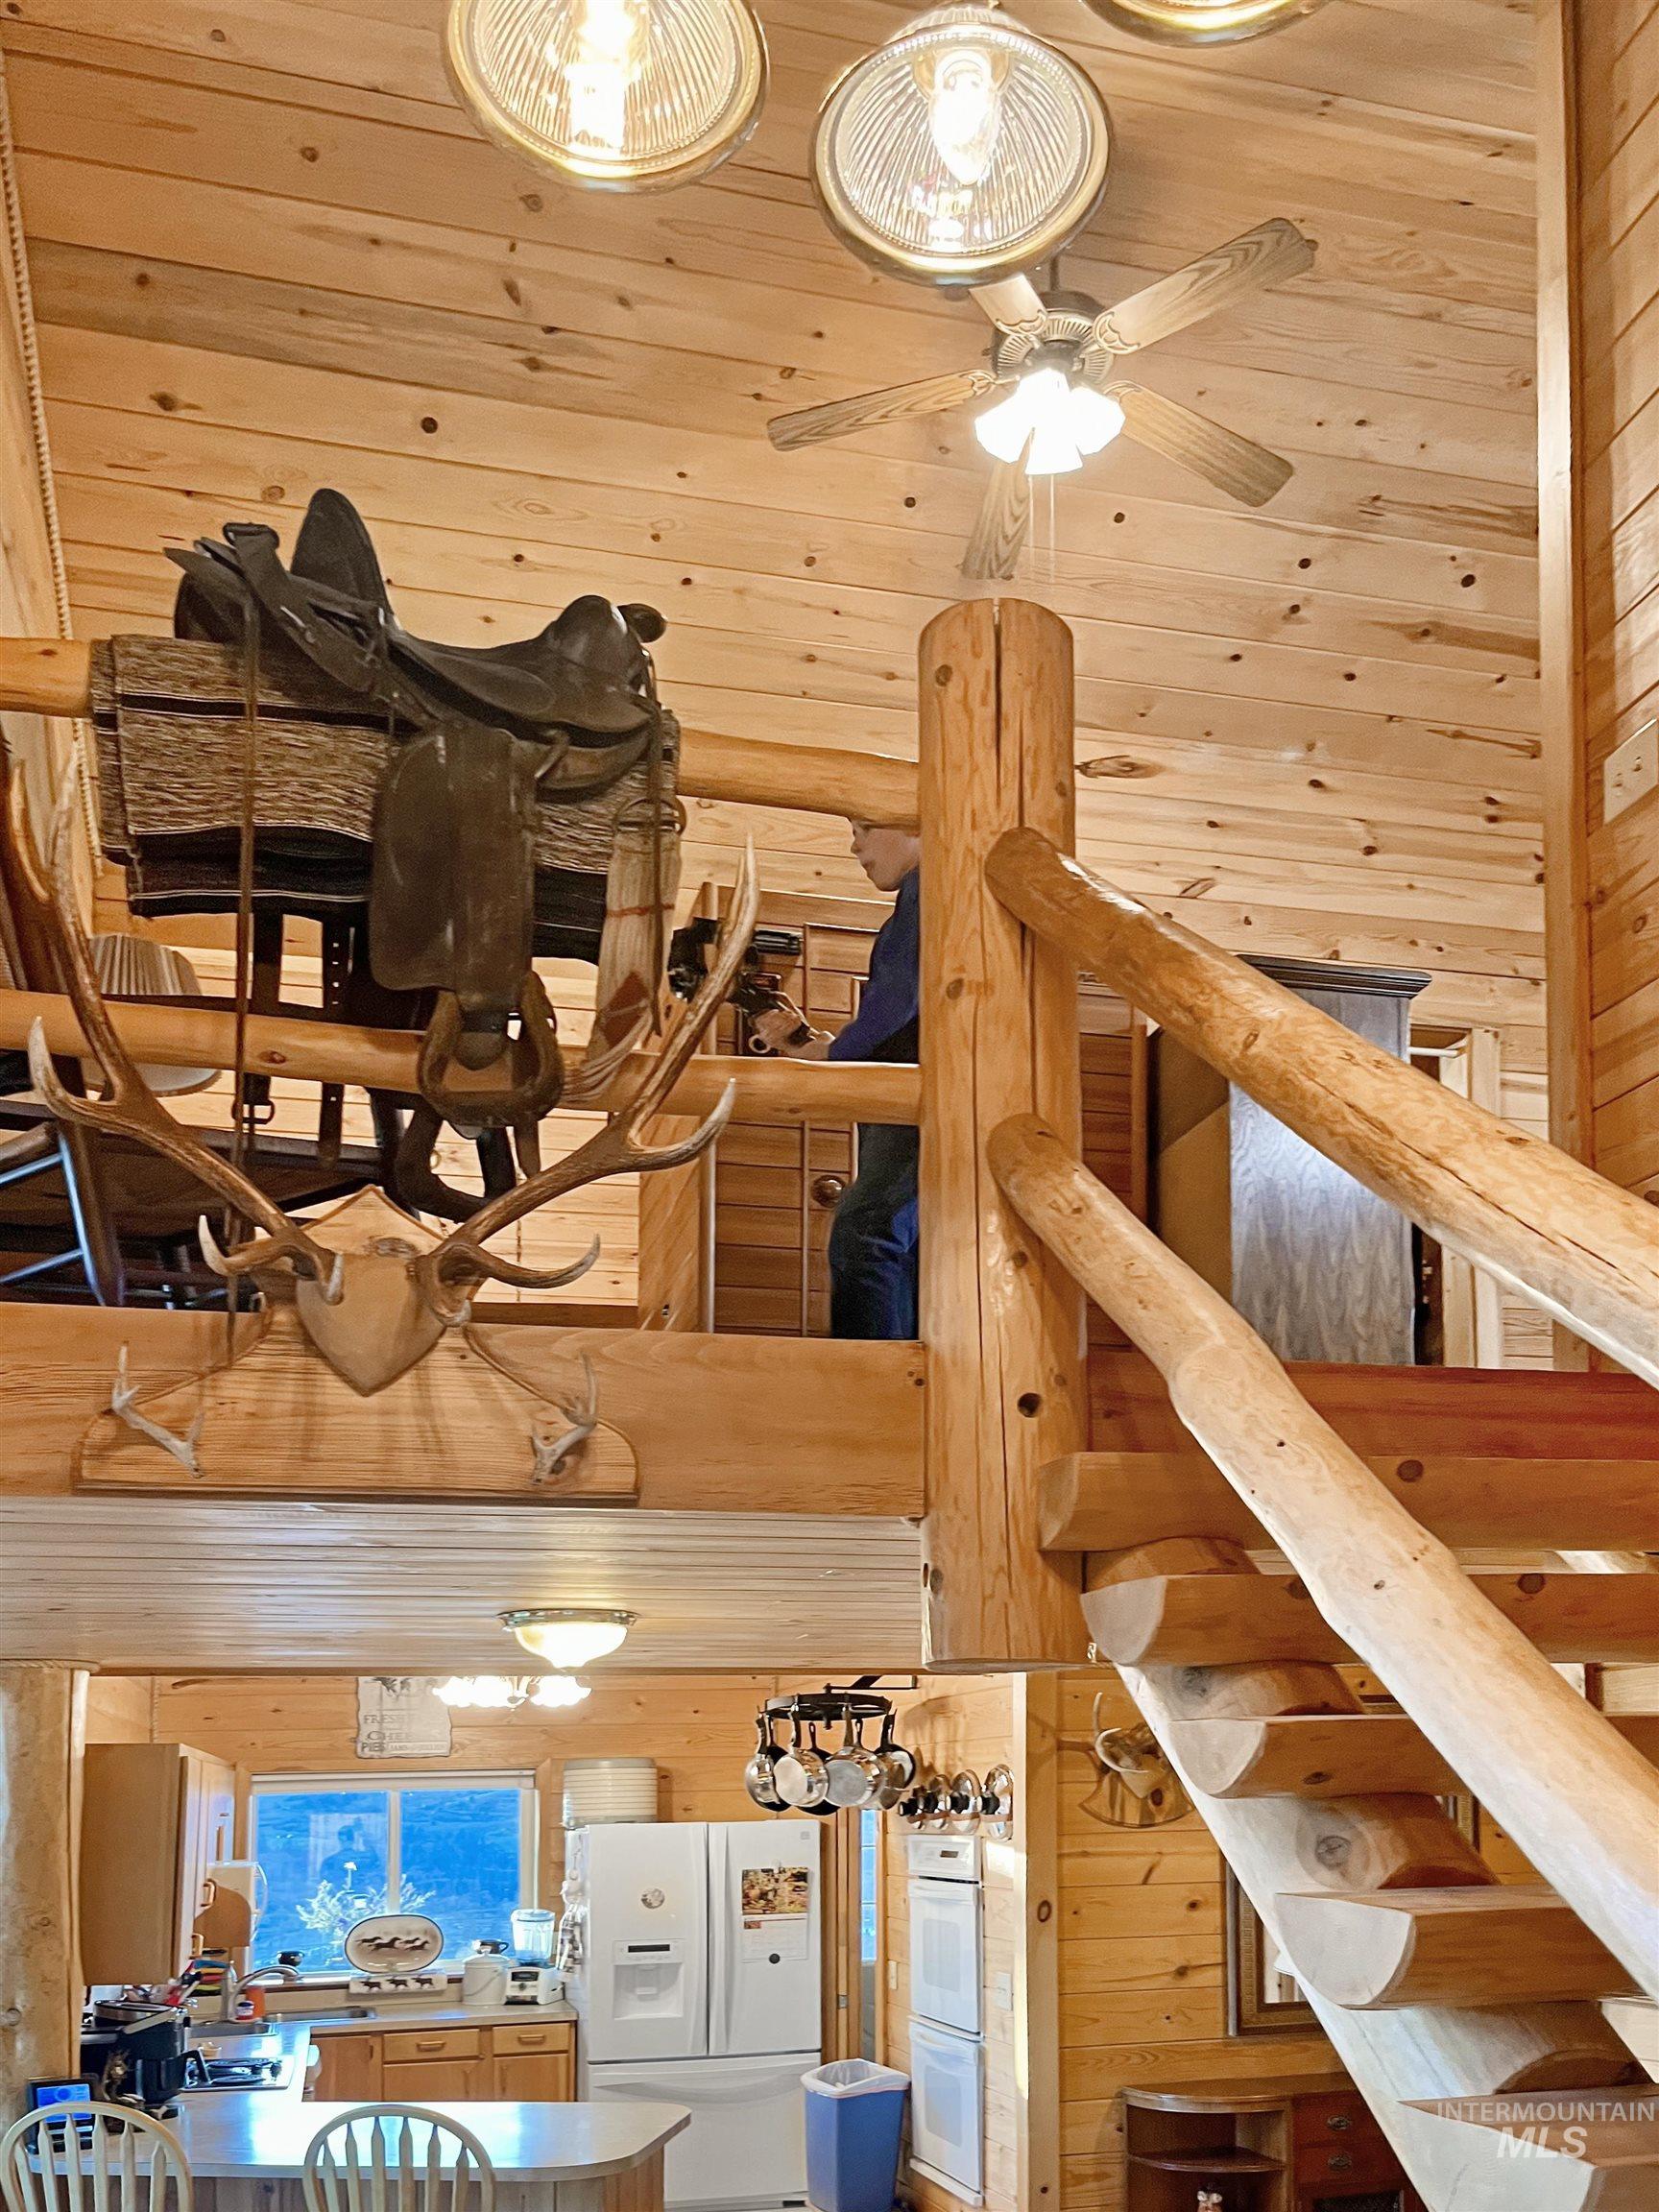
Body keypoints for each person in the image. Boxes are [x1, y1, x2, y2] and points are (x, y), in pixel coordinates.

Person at [752, 821, 921, 1339]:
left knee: (865, 1232)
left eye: (865, 828)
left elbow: (897, 1000)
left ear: (917, 824)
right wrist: (819, 1046)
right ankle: (903, 1364)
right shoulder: (921, 900)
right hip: (911, 1099)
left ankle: (873, 1372)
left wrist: (835, 1050)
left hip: (915, 1103)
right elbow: (898, 1016)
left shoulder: (928, 893)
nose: (855, 846)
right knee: (904, 1242)